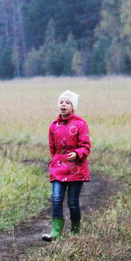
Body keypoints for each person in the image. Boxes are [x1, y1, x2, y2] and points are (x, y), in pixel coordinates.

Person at [42, 89, 91, 242]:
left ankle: (75, 232)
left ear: (73, 106)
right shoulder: (54, 125)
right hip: (58, 168)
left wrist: (76, 154)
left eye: (67, 103)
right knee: (56, 199)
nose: (63, 105)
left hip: (76, 169)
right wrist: (57, 161)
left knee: (72, 202)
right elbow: (52, 148)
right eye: (61, 102)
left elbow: (86, 147)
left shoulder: (80, 124)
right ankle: (56, 232)